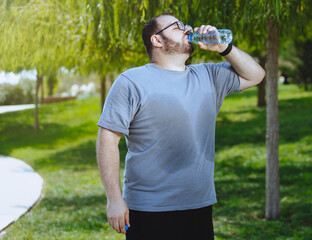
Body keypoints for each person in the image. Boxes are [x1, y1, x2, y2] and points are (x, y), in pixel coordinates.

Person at [96, 13, 265, 240]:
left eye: (186, 25)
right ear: (157, 40)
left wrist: (224, 48)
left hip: (199, 204)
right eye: (178, 27)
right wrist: (114, 200)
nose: (188, 29)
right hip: (148, 208)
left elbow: (256, 75)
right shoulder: (131, 81)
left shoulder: (209, 75)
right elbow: (107, 138)